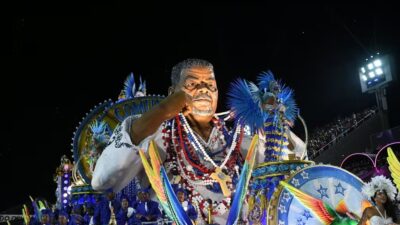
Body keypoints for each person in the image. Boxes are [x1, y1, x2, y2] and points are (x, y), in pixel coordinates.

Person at [92, 58, 306, 224]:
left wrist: (275, 121)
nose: (203, 90)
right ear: (172, 93)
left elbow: (289, 168)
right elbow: (103, 181)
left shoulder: (240, 144)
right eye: (192, 84)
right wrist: (162, 111)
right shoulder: (155, 142)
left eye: (210, 85)